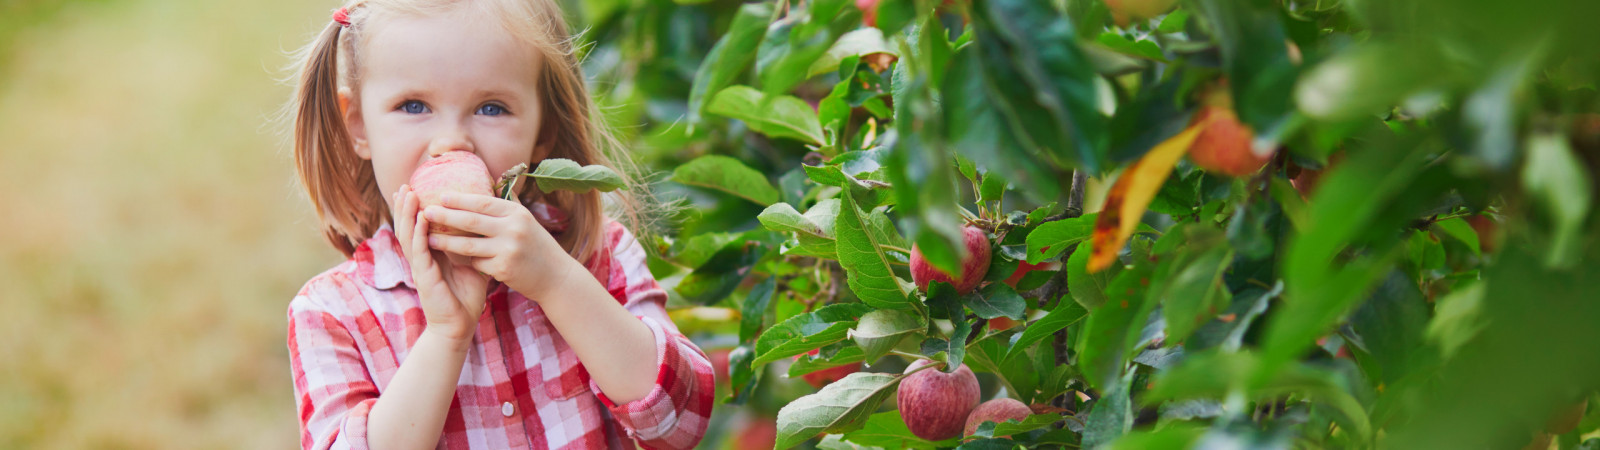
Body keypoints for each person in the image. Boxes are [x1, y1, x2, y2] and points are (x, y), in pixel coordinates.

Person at [282, 1, 713, 448]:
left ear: (543, 129)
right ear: (358, 125)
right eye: (413, 105)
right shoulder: (332, 313)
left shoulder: (595, 256)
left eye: (491, 108)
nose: (451, 141)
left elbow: (682, 423)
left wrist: (556, 282)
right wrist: (447, 336)